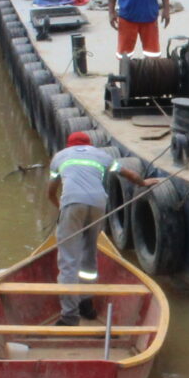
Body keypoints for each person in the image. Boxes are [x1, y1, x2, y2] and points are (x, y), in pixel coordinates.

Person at [45, 131, 111, 324]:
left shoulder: (60, 157)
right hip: (99, 206)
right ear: (89, 144)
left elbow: (50, 192)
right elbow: (127, 172)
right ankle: (86, 304)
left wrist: (62, 208)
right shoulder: (101, 155)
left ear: (69, 145)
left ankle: (69, 315)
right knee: (89, 254)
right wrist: (142, 182)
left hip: (72, 204)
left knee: (68, 261)